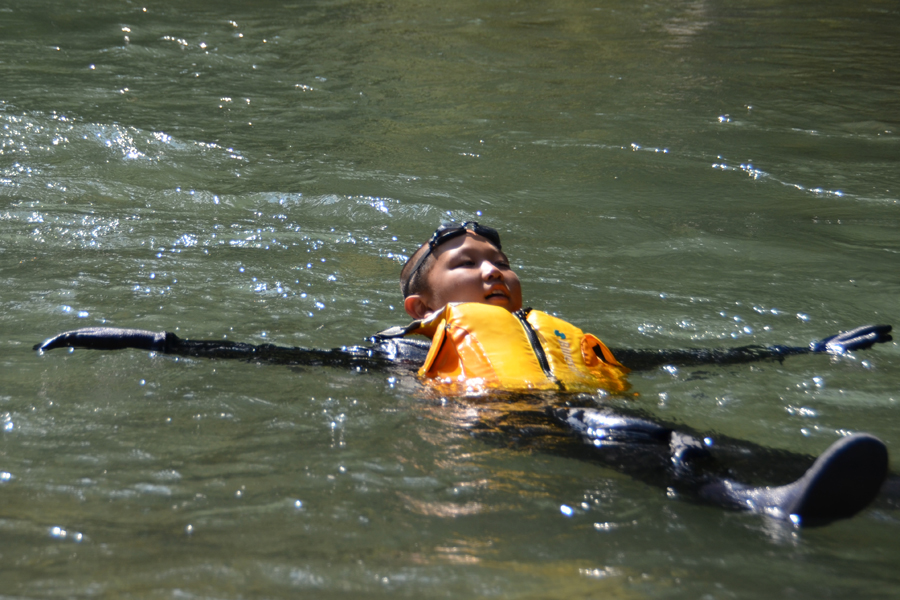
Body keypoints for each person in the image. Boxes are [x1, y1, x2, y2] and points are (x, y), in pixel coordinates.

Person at [34, 222, 894, 527]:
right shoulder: (409, 345)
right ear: (420, 305)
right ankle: (759, 513)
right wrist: (161, 341)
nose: (490, 274)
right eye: (466, 265)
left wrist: (811, 352)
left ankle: (856, 488)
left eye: (500, 264)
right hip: (509, 425)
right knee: (646, 442)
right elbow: (291, 358)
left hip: (578, 405)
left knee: (711, 438)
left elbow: (699, 361)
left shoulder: (560, 335)